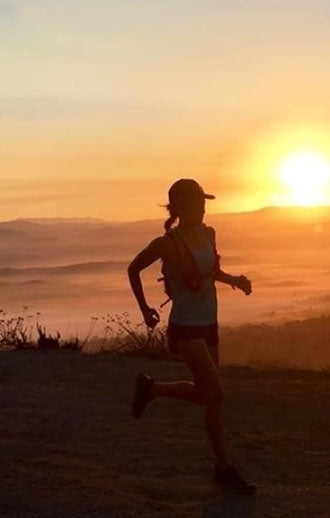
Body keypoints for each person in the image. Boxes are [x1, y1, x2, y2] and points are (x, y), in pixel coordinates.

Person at [127, 178, 257, 495]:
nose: (203, 208)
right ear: (180, 208)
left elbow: (212, 272)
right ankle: (223, 468)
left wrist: (235, 280)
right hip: (185, 326)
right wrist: (144, 309)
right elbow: (133, 269)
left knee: (203, 394)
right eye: (198, 203)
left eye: (204, 202)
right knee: (216, 394)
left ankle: (152, 389)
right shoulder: (167, 244)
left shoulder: (209, 233)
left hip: (209, 322)